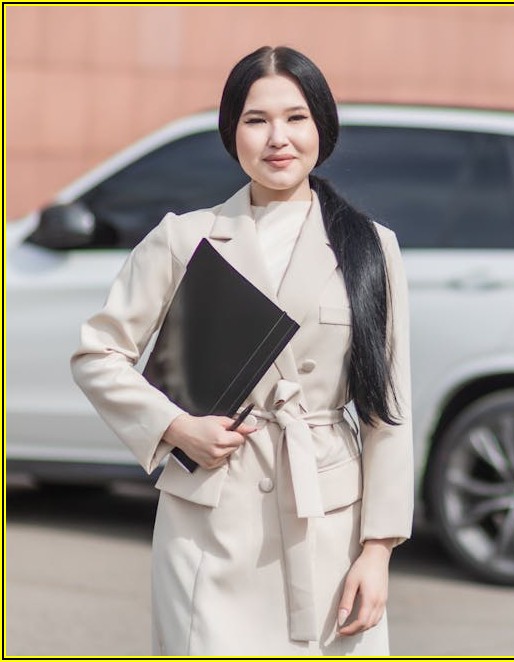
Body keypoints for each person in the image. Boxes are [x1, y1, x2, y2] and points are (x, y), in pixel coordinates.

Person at [70, 45, 413, 656]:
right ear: (232, 133)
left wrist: (378, 551)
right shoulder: (184, 238)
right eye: (256, 120)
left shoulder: (369, 247)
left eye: (295, 117)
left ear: (322, 126)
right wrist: (176, 427)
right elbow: (98, 353)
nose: (277, 138)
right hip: (209, 522)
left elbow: (389, 411)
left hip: (329, 523)